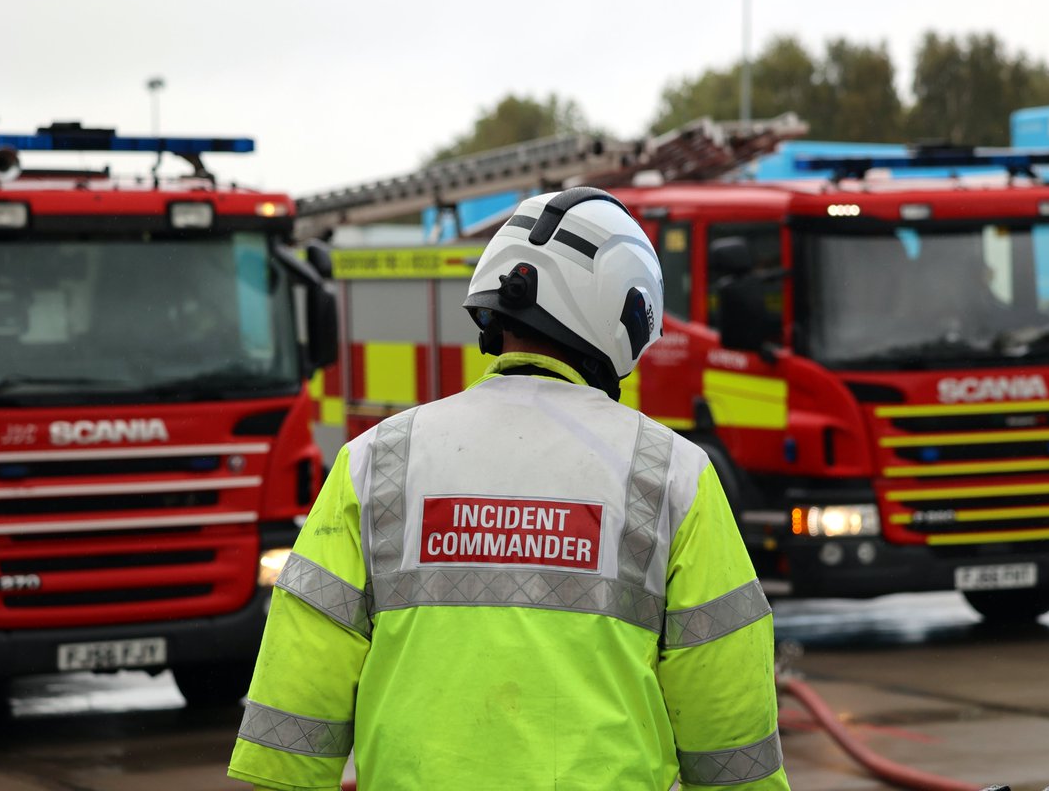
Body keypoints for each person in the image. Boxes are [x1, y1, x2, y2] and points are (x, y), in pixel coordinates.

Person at [227, 187, 790, 791]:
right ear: (622, 313)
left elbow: (290, 728)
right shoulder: (672, 474)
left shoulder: (374, 461)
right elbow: (730, 737)